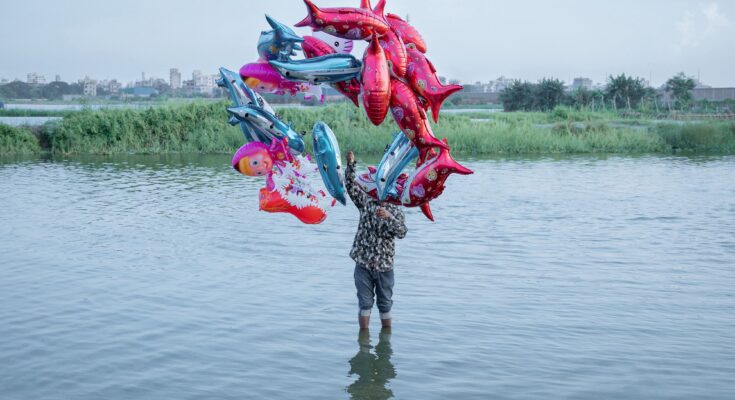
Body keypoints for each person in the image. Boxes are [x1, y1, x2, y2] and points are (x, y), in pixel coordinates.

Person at [345, 151, 407, 329]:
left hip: (384, 266)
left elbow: (402, 232)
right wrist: (351, 165)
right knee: (364, 304)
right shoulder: (366, 202)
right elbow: (351, 186)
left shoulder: (395, 210)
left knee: (385, 305)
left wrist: (389, 217)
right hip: (363, 263)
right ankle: (363, 341)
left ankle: (385, 341)